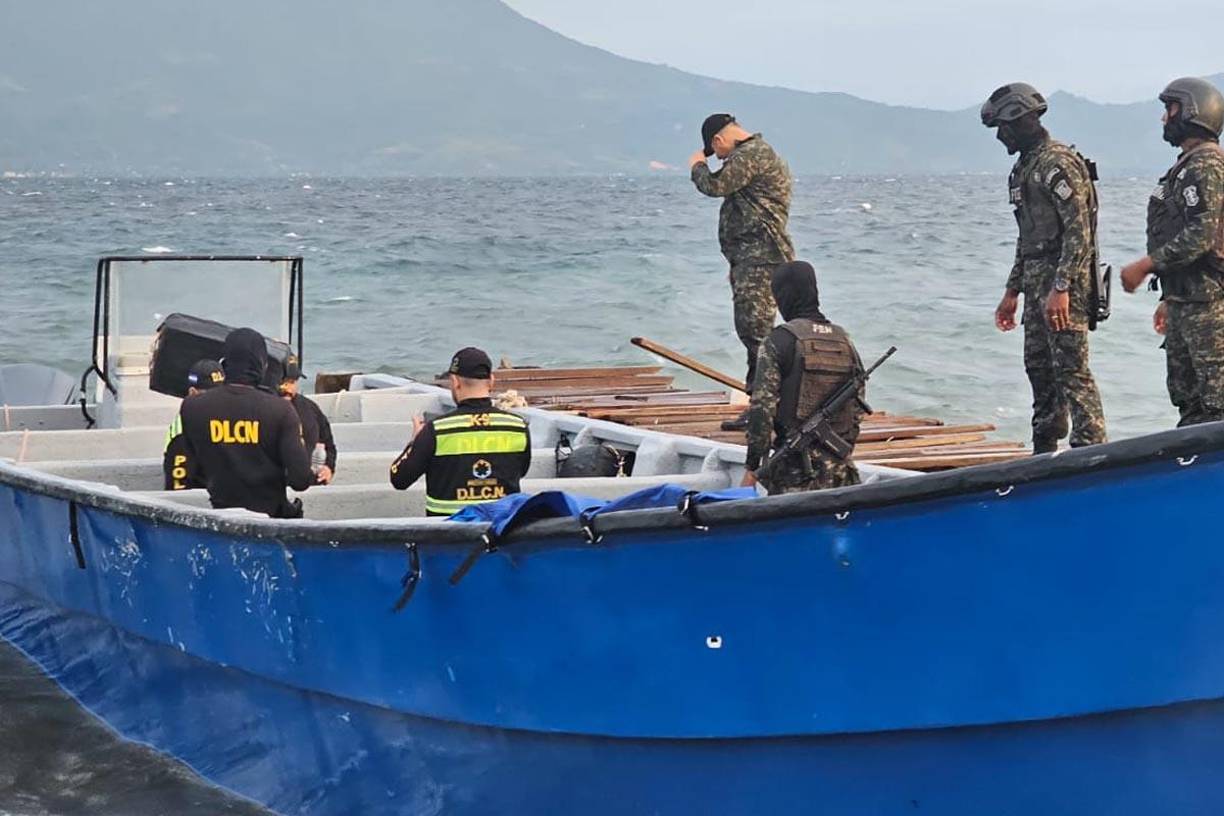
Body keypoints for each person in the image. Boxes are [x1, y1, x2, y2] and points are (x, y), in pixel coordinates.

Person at [982, 82, 1107, 453]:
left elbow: (1079, 230)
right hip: (1037, 283)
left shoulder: (1057, 163)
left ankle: (1090, 448)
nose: (1000, 137)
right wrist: (1011, 292)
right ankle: (1045, 445)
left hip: (1063, 287)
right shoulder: (1023, 168)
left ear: (1019, 120)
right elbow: (1027, 239)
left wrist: (1062, 287)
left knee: (1071, 370)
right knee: (1038, 366)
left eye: (1003, 128)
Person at [1120, 77, 1224, 426]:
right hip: (1186, 302)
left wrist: (1146, 265)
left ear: (1194, 111)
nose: (1165, 118)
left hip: (1210, 306)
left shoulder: (1206, 166)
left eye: (1171, 109)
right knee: (1189, 401)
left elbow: (1202, 235)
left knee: (1217, 404)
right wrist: (1169, 295)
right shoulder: (1185, 168)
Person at [689, 113, 795, 430]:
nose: (717, 157)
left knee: (757, 336)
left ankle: (764, 410)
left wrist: (697, 165)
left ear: (718, 141)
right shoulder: (757, 153)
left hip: (762, 259)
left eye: (715, 152)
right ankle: (766, 405)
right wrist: (737, 262)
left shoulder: (750, 154)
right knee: (756, 334)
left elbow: (715, 185)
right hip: (755, 258)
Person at [741, 261, 865, 494]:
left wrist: (752, 465)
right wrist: (843, 448)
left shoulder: (778, 341)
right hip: (841, 473)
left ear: (782, 296)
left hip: (794, 473)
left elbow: (762, 409)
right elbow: (858, 405)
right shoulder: (844, 340)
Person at [180, 328, 314, 518]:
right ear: (263, 366)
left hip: (220, 518)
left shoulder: (192, 407)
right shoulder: (281, 411)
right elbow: (300, 480)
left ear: (224, 363)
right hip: (272, 521)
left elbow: (192, 470)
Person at [389, 347, 532, 517]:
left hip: (448, 538)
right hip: (501, 535)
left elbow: (399, 479)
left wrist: (414, 442)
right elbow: (521, 471)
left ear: (455, 382)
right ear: (491, 381)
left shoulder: (437, 430)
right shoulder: (517, 427)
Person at [163, 359, 223, 490]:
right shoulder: (181, 435)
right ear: (193, 394)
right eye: (211, 396)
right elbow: (179, 491)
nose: (218, 401)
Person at [278, 354, 336, 485]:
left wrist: (328, 468)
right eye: (283, 382)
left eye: (292, 382)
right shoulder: (259, 409)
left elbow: (328, 445)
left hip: (308, 483)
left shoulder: (310, 409)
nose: (288, 388)